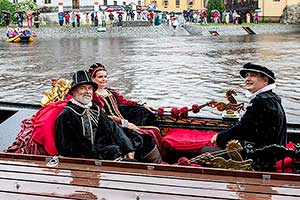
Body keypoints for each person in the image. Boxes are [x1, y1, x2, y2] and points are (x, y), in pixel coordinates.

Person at [55, 70, 162, 163]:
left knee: (144, 140)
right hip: (87, 155)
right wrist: (104, 153)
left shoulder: (94, 108)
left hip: (104, 144)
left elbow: (112, 127)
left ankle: (160, 167)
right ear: (73, 92)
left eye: (89, 88)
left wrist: (127, 147)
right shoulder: (67, 115)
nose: (87, 92)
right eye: (83, 88)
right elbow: (68, 148)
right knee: (121, 155)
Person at [209, 63, 287, 152]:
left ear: (265, 81)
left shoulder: (260, 101)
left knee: (206, 150)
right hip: (272, 150)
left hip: (260, 156)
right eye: (246, 76)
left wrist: (219, 137)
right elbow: (250, 126)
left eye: (252, 76)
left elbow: (244, 128)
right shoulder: (273, 97)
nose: (247, 79)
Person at [88, 63, 162, 148]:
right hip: (113, 127)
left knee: (154, 130)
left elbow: (124, 101)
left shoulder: (110, 91)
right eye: (100, 77)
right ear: (93, 79)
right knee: (146, 135)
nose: (104, 79)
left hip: (123, 121)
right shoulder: (94, 96)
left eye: (105, 76)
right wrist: (125, 124)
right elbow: (103, 116)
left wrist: (141, 105)